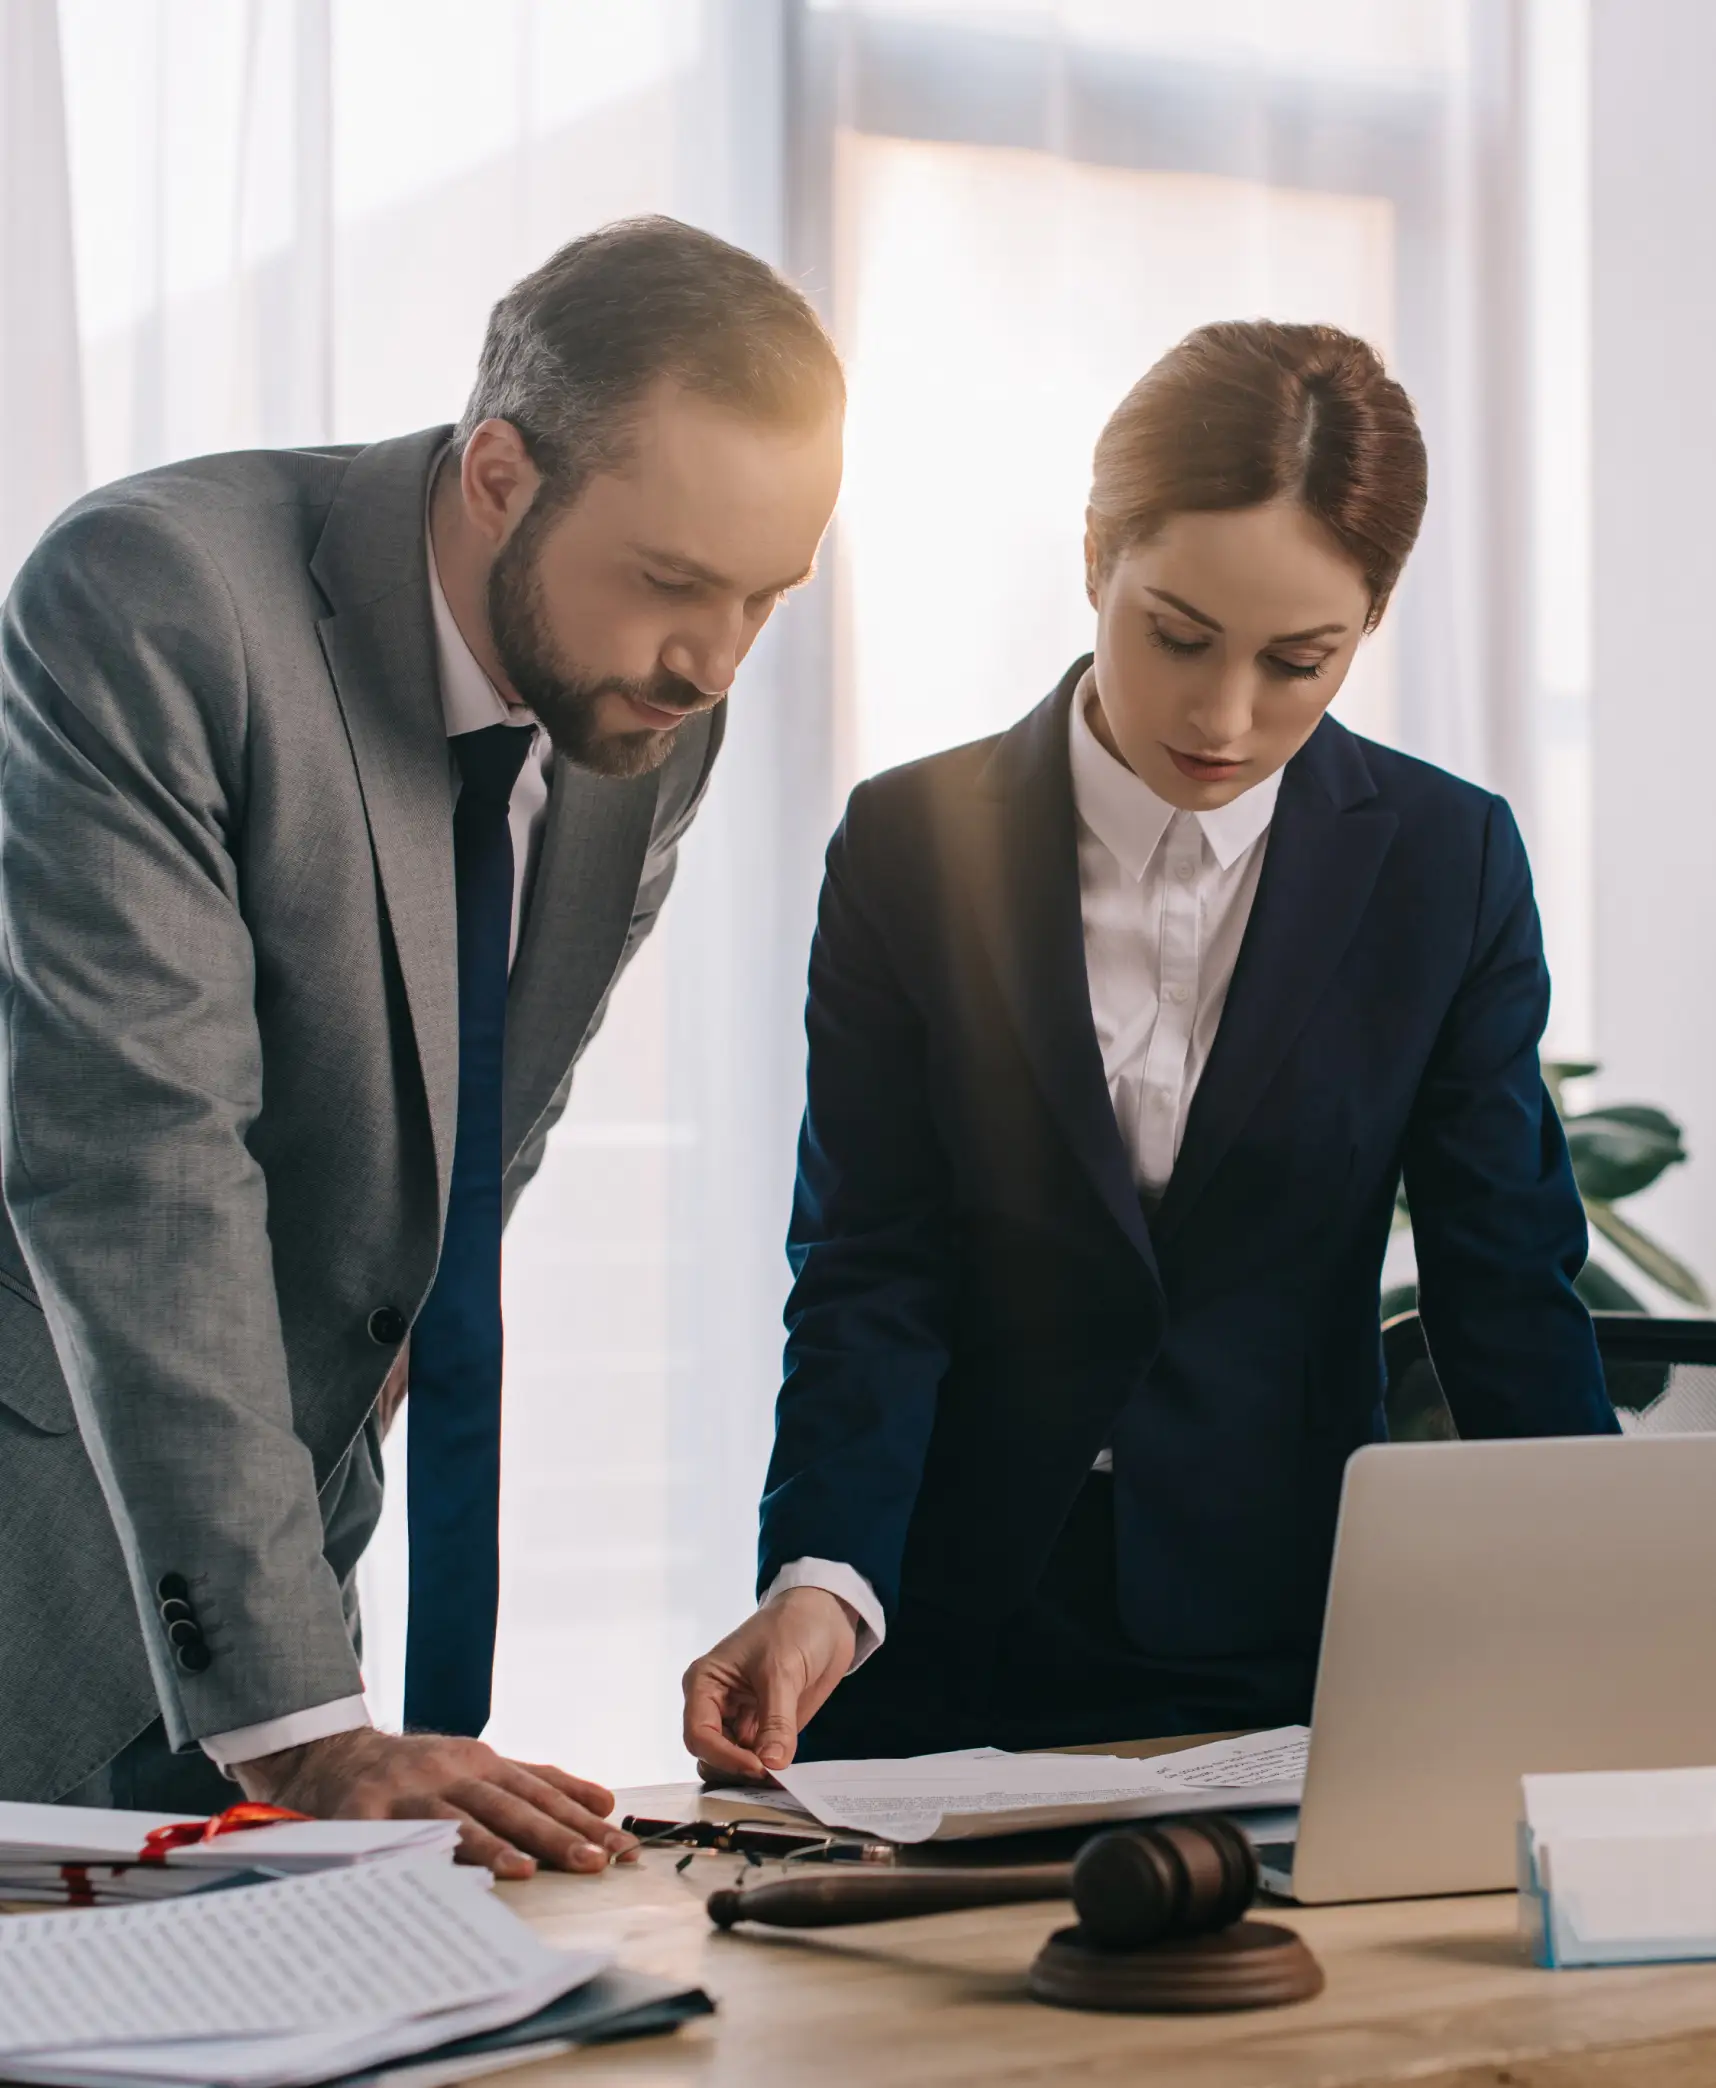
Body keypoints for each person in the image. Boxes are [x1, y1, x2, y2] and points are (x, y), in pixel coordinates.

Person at [0, 216, 844, 1871]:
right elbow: (136, 1161)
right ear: (498, 477)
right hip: (49, 1500)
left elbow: (490, 1117)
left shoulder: (656, 707)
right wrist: (307, 1726)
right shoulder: (155, 598)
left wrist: (322, 1684)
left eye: (768, 596)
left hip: (293, 1540)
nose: (717, 658)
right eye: (675, 582)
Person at [683, 319, 1618, 1774]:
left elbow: (1502, 1278)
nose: (1225, 717)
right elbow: (873, 1261)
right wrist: (822, 1579)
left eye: (1301, 661)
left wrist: (1602, 1620)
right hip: (941, 1621)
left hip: (1277, 1636)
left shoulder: (1449, 865)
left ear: (1368, 627)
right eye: (1176, 636)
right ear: (1092, 559)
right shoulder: (911, 844)